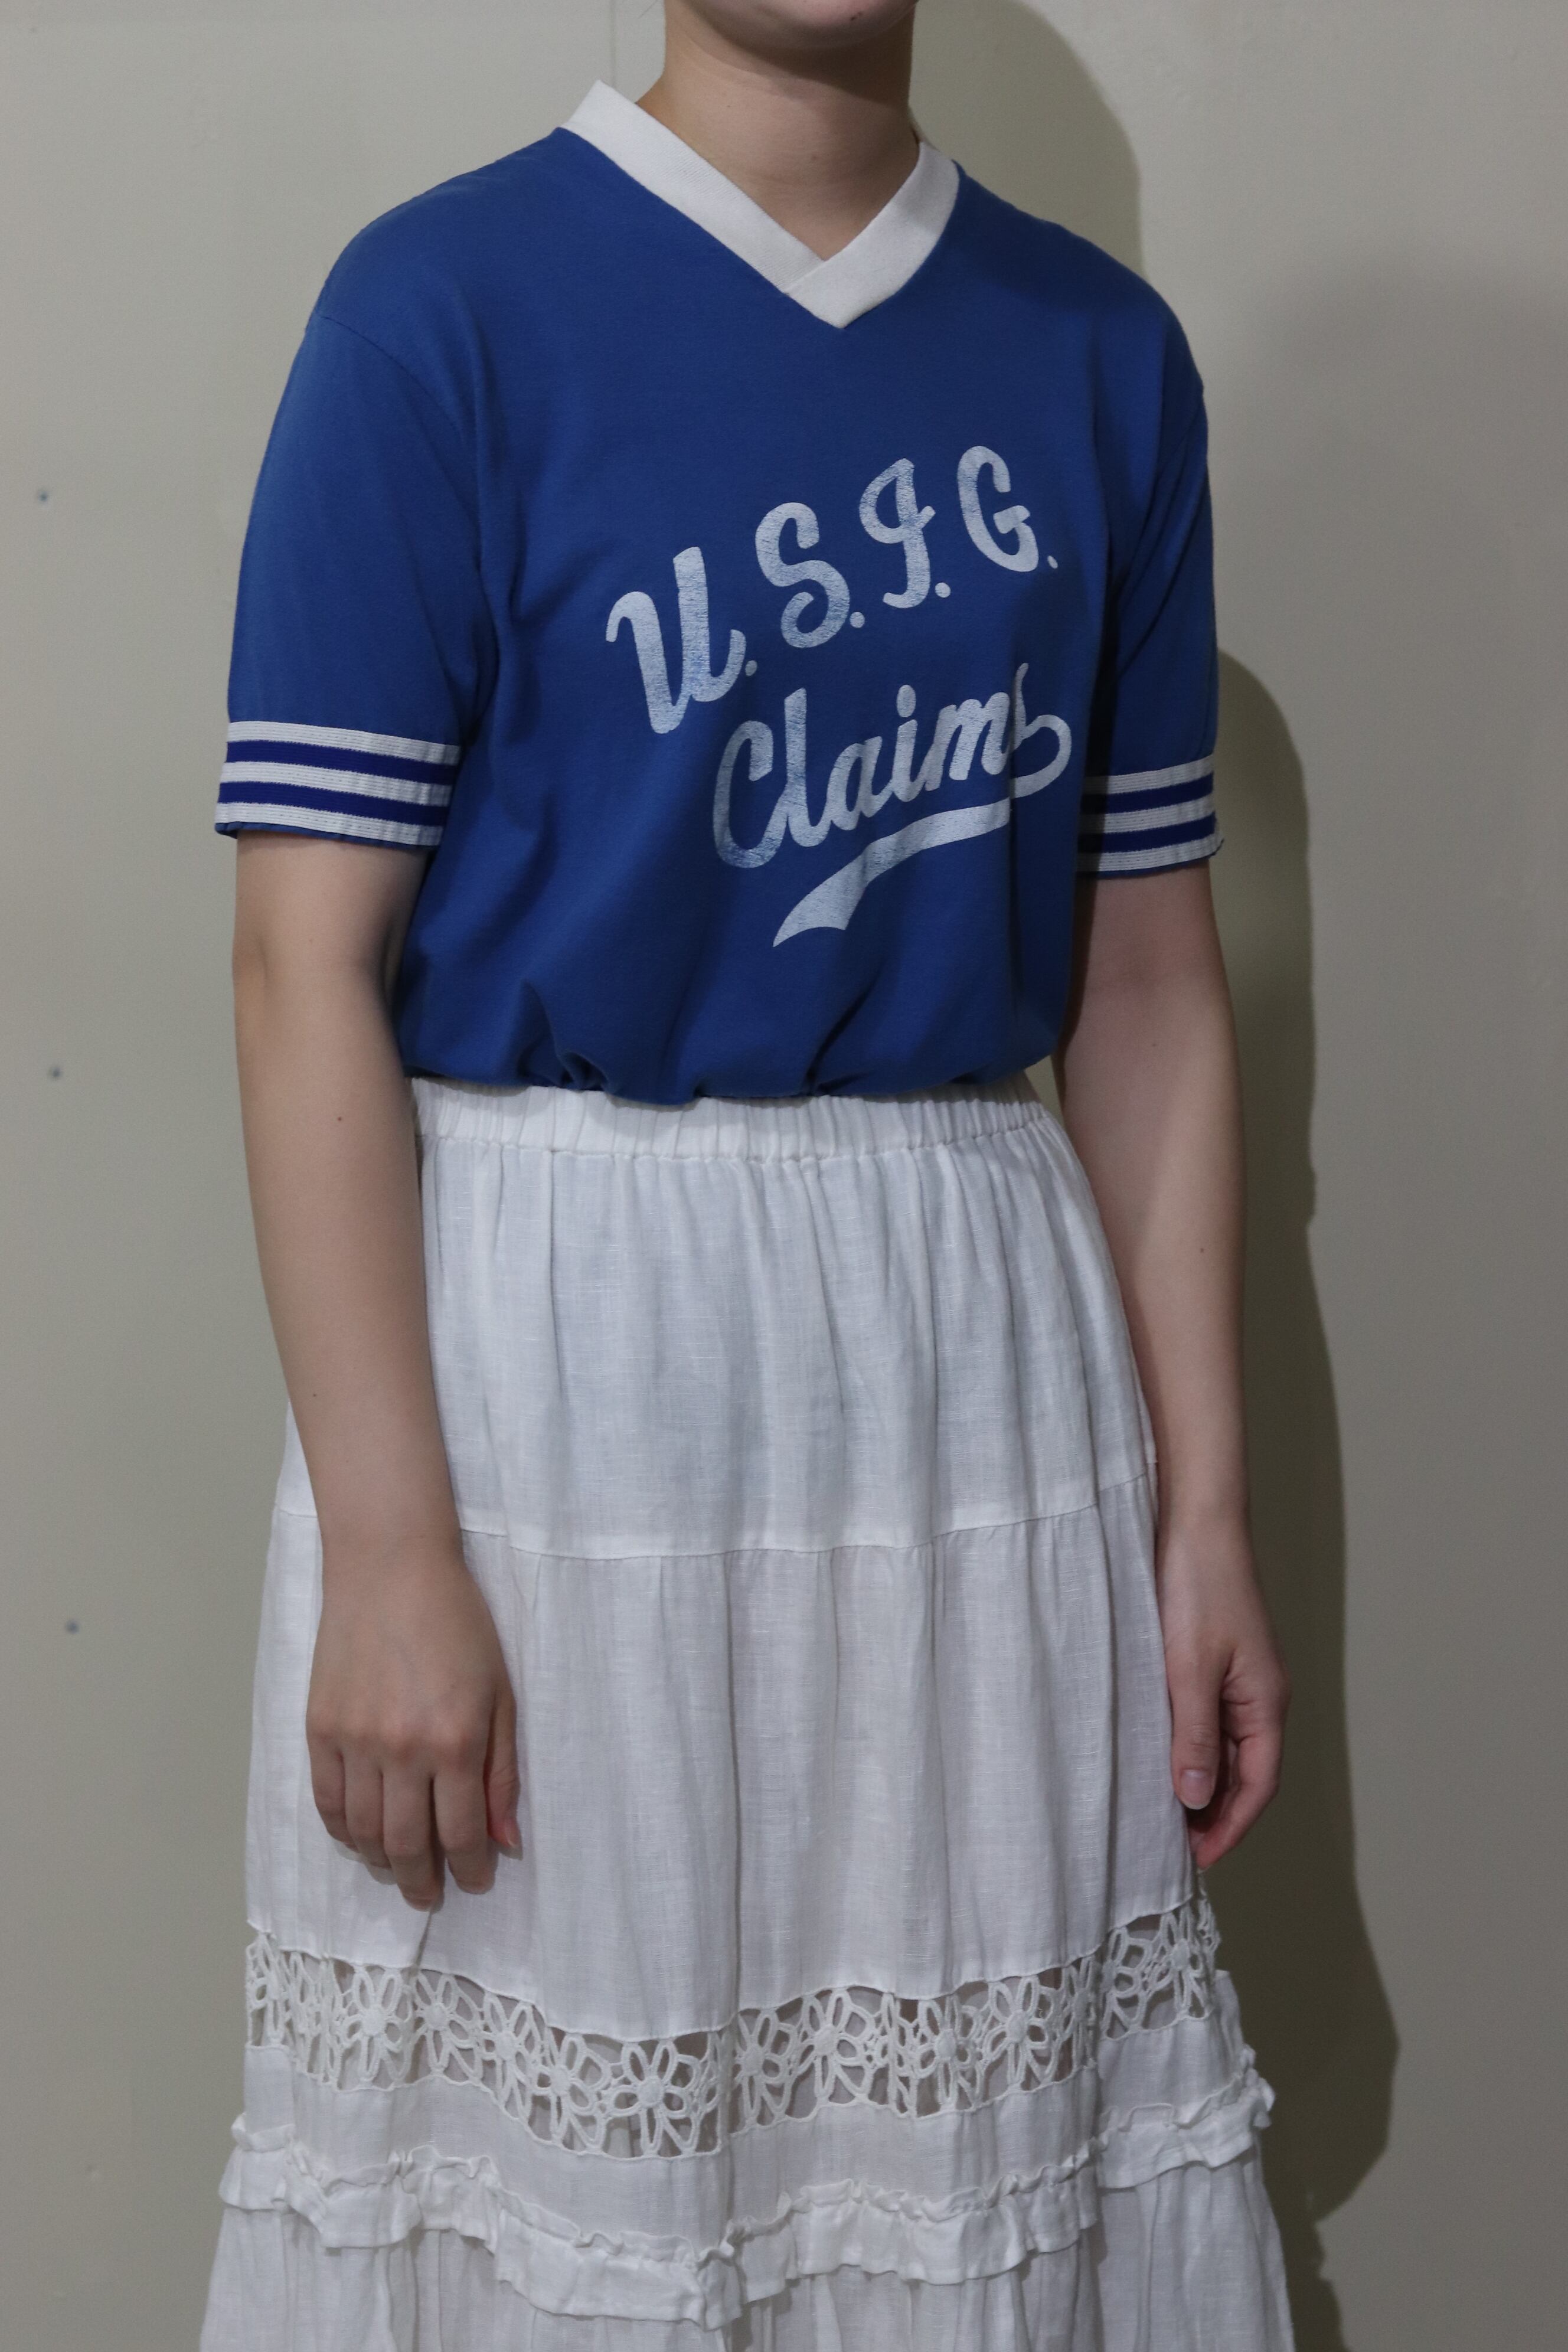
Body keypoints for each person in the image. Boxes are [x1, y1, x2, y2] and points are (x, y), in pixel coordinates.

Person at [199, 2, 1296, 2346]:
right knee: (573, 2186)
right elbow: (301, 973)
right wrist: (389, 1552)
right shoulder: (441, 310)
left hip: (974, 1362)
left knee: (970, 2173)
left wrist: (1202, 1512)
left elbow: (1145, 988)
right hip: (560, 1369)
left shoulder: (1099, 355)